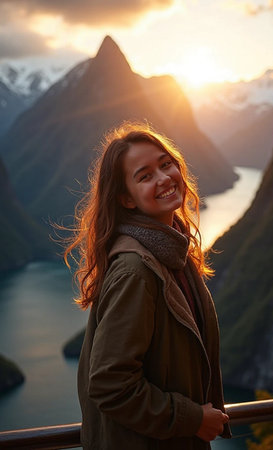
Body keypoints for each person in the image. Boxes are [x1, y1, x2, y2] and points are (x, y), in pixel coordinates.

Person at [65, 122, 231, 449]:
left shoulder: (173, 252)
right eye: (144, 176)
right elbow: (110, 384)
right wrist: (193, 419)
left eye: (165, 164)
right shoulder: (136, 271)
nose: (164, 178)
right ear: (126, 199)